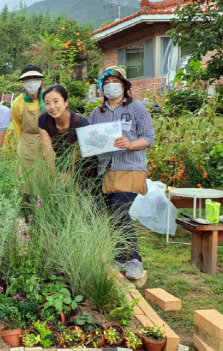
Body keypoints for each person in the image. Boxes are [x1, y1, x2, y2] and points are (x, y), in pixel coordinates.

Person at [88, 66, 155, 280]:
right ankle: (119, 257)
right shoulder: (97, 113)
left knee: (119, 211)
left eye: (115, 82)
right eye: (106, 84)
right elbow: (90, 140)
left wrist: (130, 143)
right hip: (106, 171)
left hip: (131, 168)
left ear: (125, 85)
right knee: (111, 215)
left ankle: (134, 259)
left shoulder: (137, 109)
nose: (111, 87)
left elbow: (149, 138)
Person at [38, 85, 98, 183]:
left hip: (83, 168)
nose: (52, 107)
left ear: (66, 102)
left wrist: (69, 175)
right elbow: (47, 152)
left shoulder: (80, 122)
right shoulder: (43, 120)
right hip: (60, 165)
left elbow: (77, 155)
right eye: (47, 103)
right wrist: (54, 178)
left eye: (56, 101)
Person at [11, 64, 46, 190]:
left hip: (46, 142)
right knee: (24, 180)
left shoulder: (48, 100)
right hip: (26, 144)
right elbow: (18, 129)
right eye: (27, 79)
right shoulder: (17, 104)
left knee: (44, 178)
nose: (31, 83)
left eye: (34, 78)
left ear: (41, 80)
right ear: (22, 83)